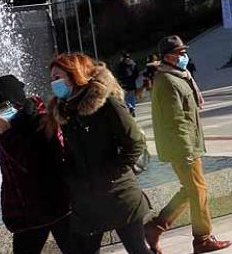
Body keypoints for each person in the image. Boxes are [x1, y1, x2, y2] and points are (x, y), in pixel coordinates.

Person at [46, 53, 154, 254]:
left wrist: (111, 172)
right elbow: (71, 153)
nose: (54, 83)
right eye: (52, 79)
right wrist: (70, 177)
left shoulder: (107, 104)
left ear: (74, 74)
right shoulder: (65, 111)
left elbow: (135, 143)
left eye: (58, 77)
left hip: (119, 195)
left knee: (137, 249)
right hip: (86, 200)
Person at [145, 36, 232, 253]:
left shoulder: (179, 76)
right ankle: (202, 239)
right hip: (182, 147)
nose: (184, 56)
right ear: (168, 57)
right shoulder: (166, 81)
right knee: (198, 189)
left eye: (184, 52)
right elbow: (174, 120)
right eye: (180, 53)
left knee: (192, 189)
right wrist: (185, 151)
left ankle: (156, 226)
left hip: (189, 145)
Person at [0, 74, 80, 254]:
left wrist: (7, 135)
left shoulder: (40, 120)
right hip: (27, 214)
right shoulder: (5, 125)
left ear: (17, 103)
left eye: (3, 107)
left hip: (56, 204)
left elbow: (37, 164)